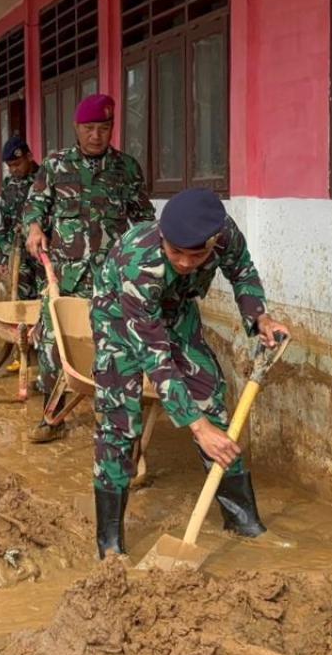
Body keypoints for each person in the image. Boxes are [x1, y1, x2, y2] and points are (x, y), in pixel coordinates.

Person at [90, 188, 288, 558]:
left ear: (213, 241)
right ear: (163, 237)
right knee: (120, 421)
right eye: (174, 252)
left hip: (176, 309)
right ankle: (111, 544)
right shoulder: (139, 262)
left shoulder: (223, 232)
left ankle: (242, 520)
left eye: (195, 255)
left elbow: (241, 269)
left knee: (212, 399)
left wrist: (260, 316)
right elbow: (156, 359)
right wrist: (197, 429)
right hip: (120, 318)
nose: (183, 262)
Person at [22, 93, 155, 442]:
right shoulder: (55, 165)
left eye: (104, 127)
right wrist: (35, 228)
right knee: (53, 349)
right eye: (89, 128)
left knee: (111, 352)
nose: (96, 135)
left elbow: (143, 222)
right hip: (64, 278)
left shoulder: (126, 169)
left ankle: (113, 424)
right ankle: (52, 419)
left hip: (111, 281)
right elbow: (35, 206)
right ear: (77, 128)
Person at [0, 136, 40, 300]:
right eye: (10, 166)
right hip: (19, 253)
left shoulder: (44, 180)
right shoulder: (8, 185)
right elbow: (4, 223)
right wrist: (1, 257)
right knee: (22, 299)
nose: (14, 169)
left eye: (17, 164)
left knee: (45, 299)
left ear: (29, 157)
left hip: (42, 251)